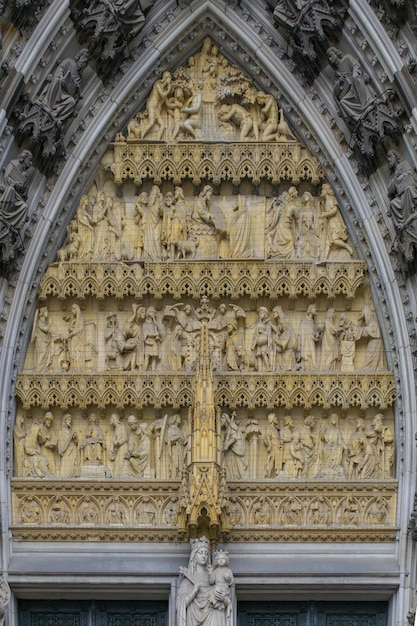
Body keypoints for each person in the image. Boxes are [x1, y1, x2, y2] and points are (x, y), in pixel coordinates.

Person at [177, 536, 230, 626]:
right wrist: (194, 591)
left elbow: (227, 601)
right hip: (193, 617)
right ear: (194, 555)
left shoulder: (215, 577)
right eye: (200, 553)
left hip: (215, 615)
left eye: (206, 553)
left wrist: (224, 599)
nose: (204, 556)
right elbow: (181, 604)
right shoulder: (187, 582)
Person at [37, 49, 90, 123]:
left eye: (85, 63)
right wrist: (61, 77)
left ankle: (55, 114)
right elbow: (60, 68)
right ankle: (47, 104)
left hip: (65, 93)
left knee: (72, 102)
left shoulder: (79, 77)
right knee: (56, 81)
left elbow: (74, 92)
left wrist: (77, 89)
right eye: (83, 61)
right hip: (59, 86)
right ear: (79, 57)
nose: (83, 64)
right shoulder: (69, 62)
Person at [326, 47, 375, 124]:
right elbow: (337, 88)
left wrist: (355, 73)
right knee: (342, 102)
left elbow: (356, 65)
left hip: (356, 82)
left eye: (331, 55)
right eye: (329, 58)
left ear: (336, 53)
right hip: (350, 90)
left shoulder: (347, 58)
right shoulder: (337, 73)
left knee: (356, 79)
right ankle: (358, 119)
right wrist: (339, 83)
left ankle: (366, 105)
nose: (330, 59)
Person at [0, 150, 33, 262]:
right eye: (30, 160)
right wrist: (15, 184)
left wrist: (22, 186)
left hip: (17, 195)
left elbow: (25, 194)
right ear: (24, 158)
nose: (30, 163)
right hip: (7, 188)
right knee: (10, 190)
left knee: (24, 207)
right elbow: (6, 178)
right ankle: (4, 213)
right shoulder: (13, 164)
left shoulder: (24, 174)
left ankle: (14, 227)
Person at [387, 149, 417, 262]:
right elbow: (390, 190)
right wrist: (396, 179)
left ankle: (411, 215)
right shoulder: (393, 175)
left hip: (407, 192)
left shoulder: (404, 164)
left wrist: (400, 177)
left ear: (396, 156)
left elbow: (411, 175)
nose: (389, 160)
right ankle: (402, 229)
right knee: (393, 204)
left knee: (410, 190)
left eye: (390, 157)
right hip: (400, 198)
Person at [142, 71, 171, 140]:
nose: (170, 80)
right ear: (165, 78)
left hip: (156, 108)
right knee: (151, 122)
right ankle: (141, 136)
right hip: (151, 105)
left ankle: (158, 140)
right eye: (169, 78)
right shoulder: (158, 84)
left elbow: (162, 101)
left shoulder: (164, 89)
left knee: (163, 125)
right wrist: (169, 90)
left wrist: (159, 107)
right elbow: (162, 95)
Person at [221, 412, 247, 479]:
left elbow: (234, 437)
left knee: (236, 465)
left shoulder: (232, 426)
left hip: (236, 449)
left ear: (226, 419)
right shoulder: (228, 429)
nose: (220, 420)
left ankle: (236, 477)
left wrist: (227, 445)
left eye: (222, 418)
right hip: (231, 451)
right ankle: (231, 476)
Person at [31, 306, 54, 370]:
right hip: (41, 341)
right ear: (43, 312)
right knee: (42, 353)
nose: (47, 313)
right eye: (46, 311)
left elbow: (47, 333)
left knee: (44, 353)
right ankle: (38, 369)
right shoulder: (39, 322)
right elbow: (45, 329)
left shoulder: (44, 322)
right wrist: (50, 323)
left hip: (45, 341)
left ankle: (43, 369)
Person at [58, 413, 79, 478]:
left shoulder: (71, 430)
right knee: (65, 468)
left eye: (70, 420)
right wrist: (70, 436)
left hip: (73, 450)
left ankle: (72, 476)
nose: (70, 421)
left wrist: (75, 438)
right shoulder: (61, 431)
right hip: (66, 452)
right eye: (69, 420)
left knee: (72, 465)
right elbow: (61, 442)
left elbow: (76, 442)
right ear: (65, 421)